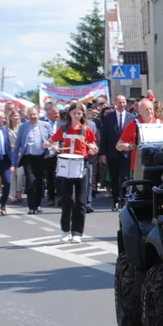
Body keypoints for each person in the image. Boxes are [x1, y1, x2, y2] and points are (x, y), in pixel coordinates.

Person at [46, 103, 98, 242]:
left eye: (79, 113)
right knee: (68, 199)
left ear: (83, 115)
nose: (77, 115)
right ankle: (65, 230)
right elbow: (47, 143)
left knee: (81, 200)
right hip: (66, 165)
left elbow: (93, 145)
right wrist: (53, 146)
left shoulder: (86, 129)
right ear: (69, 113)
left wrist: (93, 148)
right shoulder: (63, 128)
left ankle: (77, 232)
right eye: (74, 112)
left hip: (82, 165)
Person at [14, 106, 53, 214]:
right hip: (28, 157)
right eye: (30, 115)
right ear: (27, 116)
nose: (33, 117)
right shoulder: (23, 127)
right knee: (30, 181)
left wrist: (50, 152)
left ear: (38, 114)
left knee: (40, 181)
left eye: (35, 114)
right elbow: (17, 144)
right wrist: (14, 161)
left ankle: (38, 204)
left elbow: (53, 139)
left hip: (41, 157)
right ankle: (31, 206)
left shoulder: (45, 125)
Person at [99, 95, 135, 212]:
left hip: (126, 152)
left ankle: (124, 200)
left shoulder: (132, 117)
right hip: (112, 152)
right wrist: (102, 153)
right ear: (115, 103)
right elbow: (104, 137)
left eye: (124, 102)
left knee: (125, 177)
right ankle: (115, 200)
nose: (122, 104)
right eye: (119, 102)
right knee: (114, 177)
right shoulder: (109, 117)